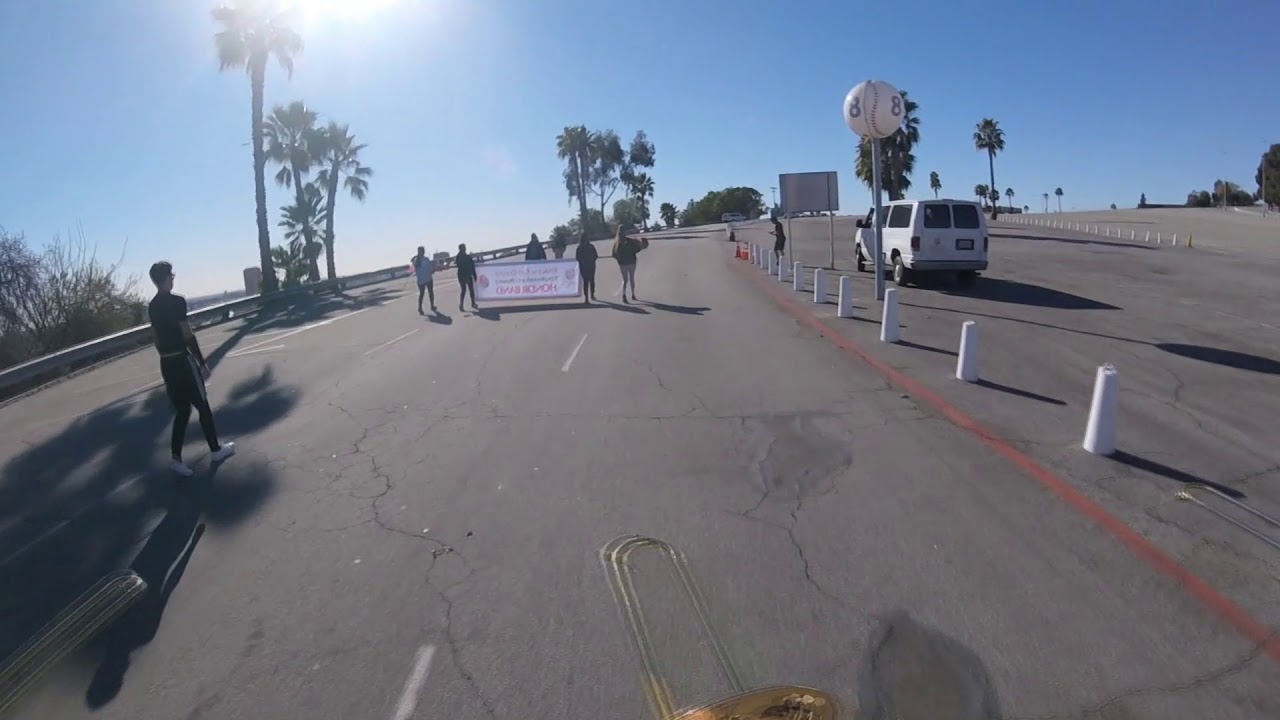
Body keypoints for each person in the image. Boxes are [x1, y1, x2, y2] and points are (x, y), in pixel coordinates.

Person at [147, 261, 235, 477]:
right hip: (182, 361)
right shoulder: (178, 302)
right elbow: (187, 334)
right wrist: (202, 363)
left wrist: (165, 354)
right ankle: (215, 450)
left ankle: (176, 458)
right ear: (166, 278)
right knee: (202, 405)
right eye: (171, 275)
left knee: (182, 410)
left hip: (166, 363)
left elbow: (157, 338)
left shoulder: (152, 306)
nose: (173, 278)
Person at [611, 225, 648, 303]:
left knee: (625, 280)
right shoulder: (630, 241)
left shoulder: (617, 244)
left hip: (622, 264)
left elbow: (613, 255)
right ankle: (633, 294)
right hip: (632, 262)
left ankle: (624, 294)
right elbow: (637, 249)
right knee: (632, 278)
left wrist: (619, 259)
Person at [411, 246, 436, 314]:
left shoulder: (415, 260)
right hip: (428, 278)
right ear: (423, 251)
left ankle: (420, 308)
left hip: (420, 280)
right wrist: (432, 270)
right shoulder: (426, 259)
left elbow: (413, 268)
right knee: (430, 292)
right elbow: (430, 269)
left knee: (421, 294)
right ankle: (432, 306)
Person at [575, 233, 598, 304]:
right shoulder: (591, 246)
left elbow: (577, 258)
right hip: (590, 265)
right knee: (591, 280)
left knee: (586, 281)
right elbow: (596, 256)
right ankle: (591, 295)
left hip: (584, 266)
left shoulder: (579, 247)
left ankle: (587, 297)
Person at [456, 243, 478, 311]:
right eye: (463, 248)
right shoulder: (466, 257)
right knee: (467, 290)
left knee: (466, 290)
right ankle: (466, 304)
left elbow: (472, 266)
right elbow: (472, 266)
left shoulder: (460, 257)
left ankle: (469, 303)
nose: (464, 249)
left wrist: (474, 275)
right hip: (465, 275)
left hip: (463, 275)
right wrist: (474, 275)